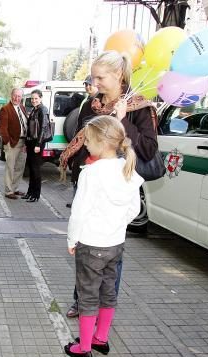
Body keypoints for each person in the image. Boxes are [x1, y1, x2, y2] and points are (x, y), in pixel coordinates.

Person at [61, 50, 159, 318]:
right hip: (89, 183)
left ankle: (103, 310)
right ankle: (81, 301)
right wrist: (77, 170)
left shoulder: (140, 107)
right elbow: (80, 139)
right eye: (94, 77)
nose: (96, 82)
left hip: (115, 191)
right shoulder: (89, 105)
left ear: (118, 75)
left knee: (109, 254)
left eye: (100, 77)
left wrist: (123, 118)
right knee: (84, 249)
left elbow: (148, 150)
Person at [64, 115, 143, 357]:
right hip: (115, 243)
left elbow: (79, 212)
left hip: (91, 243)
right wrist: (116, 225)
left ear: (102, 142)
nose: (85, 144)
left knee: (87, 295)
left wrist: (71, 238)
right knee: (108, 292)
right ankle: (101, 338)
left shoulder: (92, 173)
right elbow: (133, 209)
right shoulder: (127, 168)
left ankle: (83, 347)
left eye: (88, 140)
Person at [66, 76, 99, 209]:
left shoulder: (103, 103)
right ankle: (76, 203)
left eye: (90, 84)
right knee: (77, 176)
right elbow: (80, 125)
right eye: (86, 84)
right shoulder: (86, 102)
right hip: (82, 145)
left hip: (94, 149)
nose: (87, 87)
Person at [0, 88, 28, 200]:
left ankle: (15, 188)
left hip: (23, 142)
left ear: (22, 97)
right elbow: (2, 129)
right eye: (15, 95)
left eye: (19, 96)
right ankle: (8, 191)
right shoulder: (5, 109)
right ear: (11, 95)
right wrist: (7, 142)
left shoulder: (22, 108)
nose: (17, 98)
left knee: (20, 167)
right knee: (10, 167)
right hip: (12, 143)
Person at [23, 89, 51, 202]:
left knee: (36, 169)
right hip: (31, 143)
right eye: (32, 98)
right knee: (31, 168)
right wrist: (27, 143)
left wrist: (38, 144)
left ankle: (36, 194)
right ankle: (30, 192)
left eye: (36, 98)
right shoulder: (35, 110)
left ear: (41, 98)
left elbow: (43, 128)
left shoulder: (43, 110)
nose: (34, 100)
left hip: (37, 143)